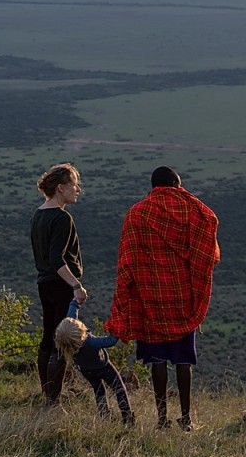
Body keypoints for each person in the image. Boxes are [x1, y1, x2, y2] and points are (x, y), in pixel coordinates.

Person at [105, 166, 221, 431]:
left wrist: (126, 297)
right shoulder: (192, 210)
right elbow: (209, 231)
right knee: (183, 359)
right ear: (176, 185)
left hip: (150, 297)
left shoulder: (136, 213)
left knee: (156, 359)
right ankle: (187, 418)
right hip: (183, 298)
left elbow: (127, 261)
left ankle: (161, 419)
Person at [31, 162, 87, 405]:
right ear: (61, 188)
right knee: (61, 343)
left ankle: (46, 395)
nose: (78, 189)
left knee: (47, 338)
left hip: (44, 284)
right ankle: (52, 401)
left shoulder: (38, 214)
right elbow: (57, 259)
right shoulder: (62, 218)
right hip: (60, 285)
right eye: (74, 184)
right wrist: (76, 286)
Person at [54, 298, 134, 424]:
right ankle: (127, 417)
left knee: (99, 391)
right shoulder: (90, 342)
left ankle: (104, 415)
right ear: (81, 332)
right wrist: (118, 328)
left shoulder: (69, 344)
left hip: (87, 371)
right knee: (119, 389)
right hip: (104, 367)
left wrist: (75, 301)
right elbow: (110, 341)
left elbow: (72, 316)